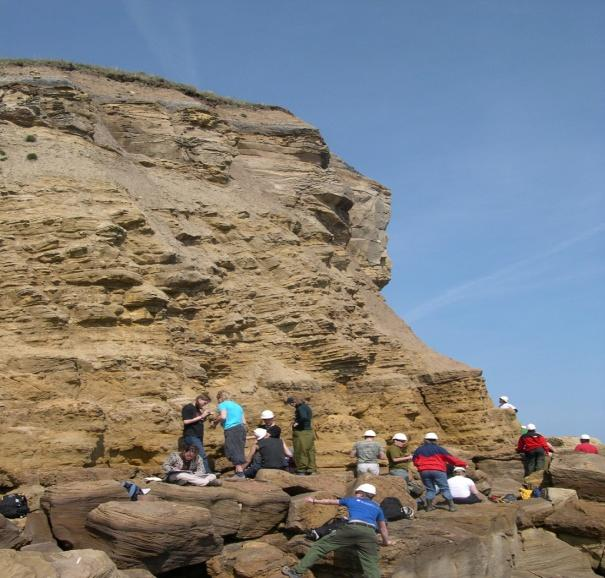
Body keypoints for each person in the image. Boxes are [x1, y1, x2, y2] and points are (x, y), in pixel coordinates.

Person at [281, 483, 390, 578]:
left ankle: (296, 572)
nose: (355, 494)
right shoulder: (377, 507)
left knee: (319, 547)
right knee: (371, 565)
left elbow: (331, 501)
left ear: (362, 493)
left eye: (357, 492)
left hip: (352, 528)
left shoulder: (352, 500)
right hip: (370, 533)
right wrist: (385, 542)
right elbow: (383, 528)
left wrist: (314, 500)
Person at [412, 432, 467, 512]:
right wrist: (463, 464)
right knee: (444, 488)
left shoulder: (419, 450)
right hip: (438, 470)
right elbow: (451, 459)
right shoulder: (440, 449)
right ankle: (452, 507)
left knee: (430, 489)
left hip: (424, 471)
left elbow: (415, 461)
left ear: (425, 440)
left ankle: (429, 507)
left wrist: (422, 467)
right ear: (435, 440)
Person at [213, 390, 247, 479]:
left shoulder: (223, 404)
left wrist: (215, 421)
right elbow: (244, 421)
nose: (218, 401)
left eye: (218, 399)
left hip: (231, 429)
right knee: (238, 449)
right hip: (241, 429)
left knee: (232, 449)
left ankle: (240, 474)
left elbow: (223, 417)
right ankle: (239, 472)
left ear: (220, 398)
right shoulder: (238, 406)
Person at [181, 393, 213, 473]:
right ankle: (208, 473)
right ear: (199, 400)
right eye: (204, 403)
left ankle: (191, 472)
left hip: (197, 436)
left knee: (193, 456)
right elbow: (186, 421)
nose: (204, 405)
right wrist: (202, 416)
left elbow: (198, 421)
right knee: (202, 455)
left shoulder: (197, 409)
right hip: (191, 435)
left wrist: (205, 416)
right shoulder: (188, 407)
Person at [286, 396, 316, 475]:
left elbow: (304, 417)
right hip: (308, 432)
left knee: (300, 450)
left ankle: (301, 469)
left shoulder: (300, 408)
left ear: (293, 402)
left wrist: (297, 422)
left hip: (302, 432)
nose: (291, 406)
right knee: (309, 451)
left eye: (290, 404)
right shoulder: (306, 407)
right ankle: (311, 469)